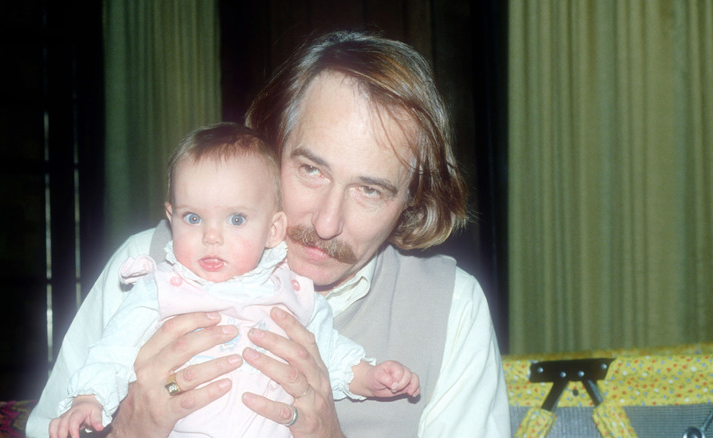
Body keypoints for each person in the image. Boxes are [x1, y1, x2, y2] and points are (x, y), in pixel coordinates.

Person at [28, 30, 510, 437]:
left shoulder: (451, 309)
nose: (325, 223)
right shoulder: (148, 265)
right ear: (270, 144)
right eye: (310, 169)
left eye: (370, 190)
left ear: (410, 202)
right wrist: (125, 431)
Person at [48, 123, 420, 438]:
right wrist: (88, 399)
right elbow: (113, 350)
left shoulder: (291, 292)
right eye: (193, 218)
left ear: (273, 229)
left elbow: (328, 352)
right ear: (171, 216)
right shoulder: (160, 288)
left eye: (236, 219)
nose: (212, 236)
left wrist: (368, 376)